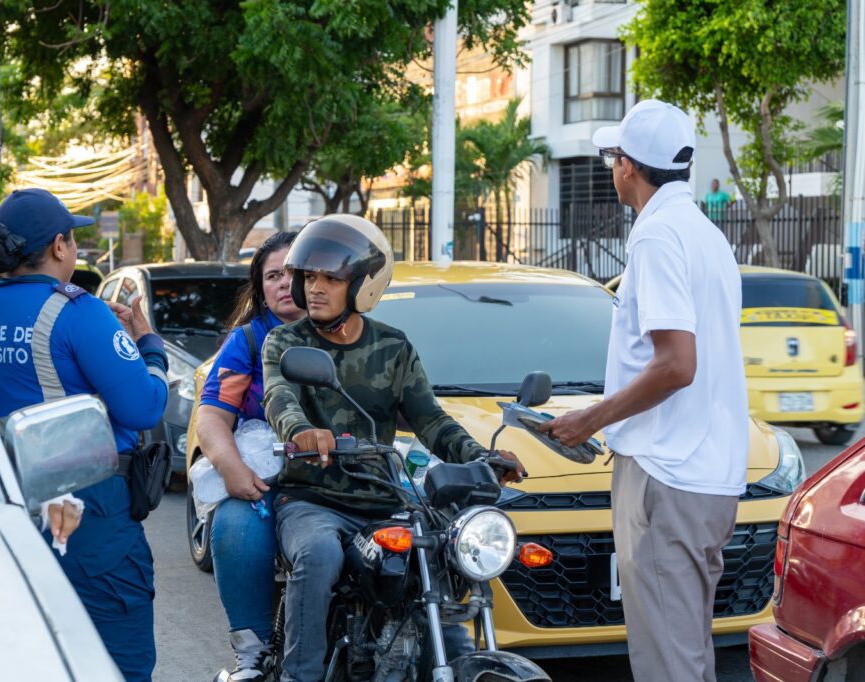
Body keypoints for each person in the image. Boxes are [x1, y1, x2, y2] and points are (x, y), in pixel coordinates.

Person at [261, 215, 526, 682]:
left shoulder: (393, 346)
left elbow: (430, 419)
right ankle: (299, 675)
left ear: (363, 286)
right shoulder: (286, 341)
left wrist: (478, 456)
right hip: (311, 500)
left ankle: (451, 659)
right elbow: (278, 397)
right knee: (319, 554)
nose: (315, 288)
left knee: (438, 555)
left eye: (330, 278)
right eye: (309, 277)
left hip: (385, 502)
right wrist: (301, 430)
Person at [540, 100, 748, 682]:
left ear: (627, 165)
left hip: (666, 473)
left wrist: (590, 419)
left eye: (613, 156)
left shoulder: (656, 236)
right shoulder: (706, 235)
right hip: (706, 473)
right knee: (688, 656)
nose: (612, 167)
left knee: (667, 665)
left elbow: (677, 365)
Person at [0, 188, 169, 682]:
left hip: (9, 511)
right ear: (59, 246)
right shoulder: (77, 310)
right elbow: (144, 406)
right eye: (72, 238)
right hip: (89, 512)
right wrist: (150, 347)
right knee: (119, 662)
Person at [195, 231, 303, 682]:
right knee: (236, 525)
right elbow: (212, 417)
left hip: (339, 475)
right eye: (273, 276)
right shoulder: (248, 340)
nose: (284, 283)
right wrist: (233, 470)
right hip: (267, 479)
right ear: (260, 288)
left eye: (293, 272)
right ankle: (252, 652)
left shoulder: (351, 331)